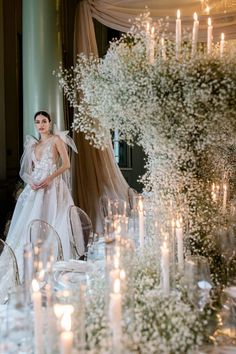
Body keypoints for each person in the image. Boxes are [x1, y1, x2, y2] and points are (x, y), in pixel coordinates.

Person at [1, 111, 80, 292]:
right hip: (35, 189)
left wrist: (49, 179)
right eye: (37, 122)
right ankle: (29, 267)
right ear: (35, 125)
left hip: (53, 188)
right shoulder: (33, 145)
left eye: (44, 121)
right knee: (29, 226)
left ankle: (53, 267)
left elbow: (66, 164)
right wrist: (31, 182)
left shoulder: (57, 140)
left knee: (53, 222)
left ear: (50, 123)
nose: (41, 125)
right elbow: (26, 172)